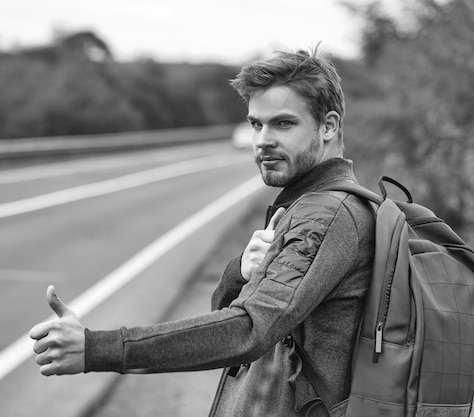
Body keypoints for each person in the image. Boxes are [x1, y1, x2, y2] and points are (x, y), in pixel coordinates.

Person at [29, 46, 375, 417]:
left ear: (329, 126)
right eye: (256, 124)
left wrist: (97, 348)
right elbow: (226, 312)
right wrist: (241, 269)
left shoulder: (325, 216)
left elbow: (247, 331)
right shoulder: (305, 206)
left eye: (283, 123)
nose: (262, 140)